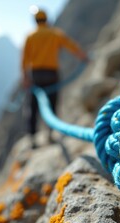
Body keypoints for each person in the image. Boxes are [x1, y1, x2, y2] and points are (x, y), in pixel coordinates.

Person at [21, 8, 87, 149]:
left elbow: (24, 60)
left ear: (35, 20)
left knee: (33, 107)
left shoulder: (30, 36)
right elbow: (71, 46)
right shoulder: (55, 34)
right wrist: (83, 57)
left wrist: (25, 78)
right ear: (46, 19)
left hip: (36, 75)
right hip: (52, 74)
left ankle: (32, 138)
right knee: (52, 103)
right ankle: (50, 134)